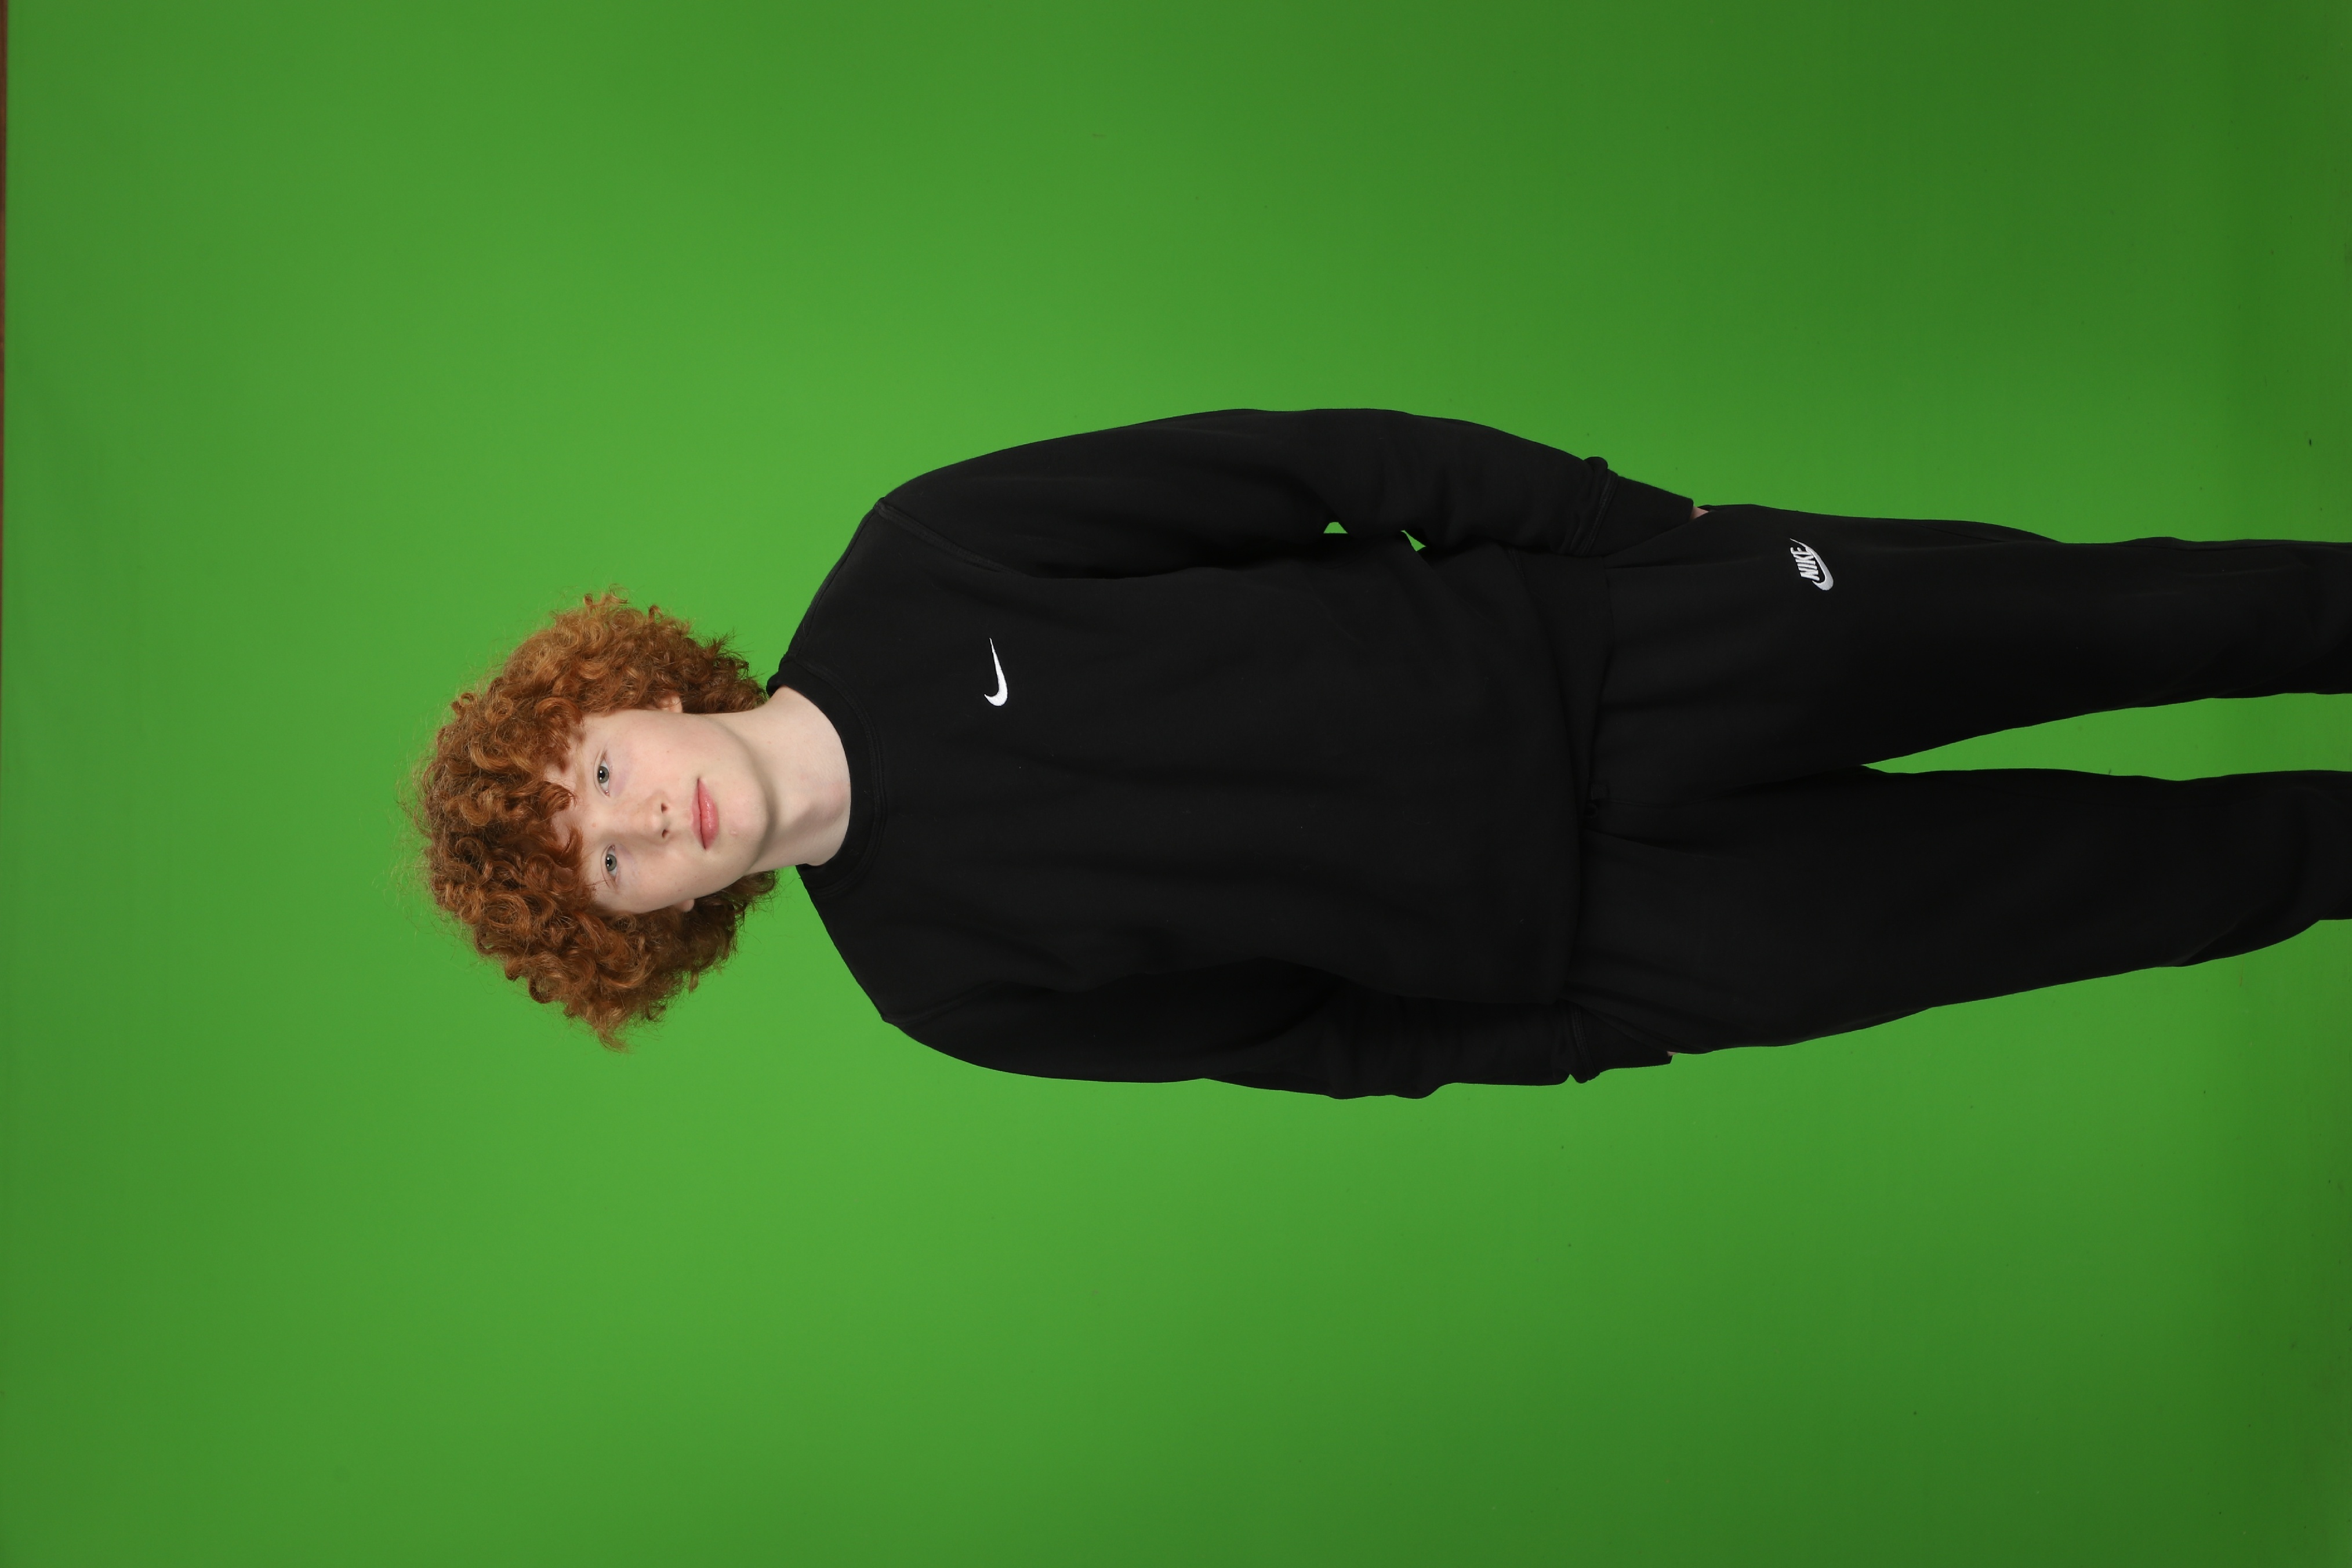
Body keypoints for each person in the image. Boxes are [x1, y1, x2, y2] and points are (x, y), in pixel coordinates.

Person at [413, 408, 2352, 1098]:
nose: (641, 822)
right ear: (651, 928)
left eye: (596, 777)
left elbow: (1313, 467)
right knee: (2140, 891)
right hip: (1625, 933)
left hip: (1630, 655)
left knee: (2131, 618)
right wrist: (1596, 1023)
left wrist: (1647, 544)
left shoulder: (925, 558)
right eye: (609, 869)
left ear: (630, 691)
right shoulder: (940, 986)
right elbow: (1317, 1038)